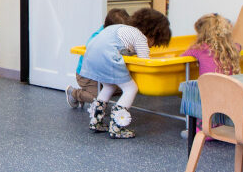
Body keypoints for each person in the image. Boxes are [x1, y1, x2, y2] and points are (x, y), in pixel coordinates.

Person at [82, 8, 171, 139]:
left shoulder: (121, 29)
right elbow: (145, 62)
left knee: (109, 86)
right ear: (152, 34)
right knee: (131, 88)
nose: (152, 46)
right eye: (154, 43)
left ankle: (96, 121)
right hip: (107, 55)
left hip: (91, 54)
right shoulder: (140, 37)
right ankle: (117, 126)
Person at [66, 8, 130, 108]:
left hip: (104, 73)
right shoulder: (98, 37)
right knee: (97, 98)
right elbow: (93, 47)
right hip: (87, 76)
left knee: (121, 88)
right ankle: (74, 93)